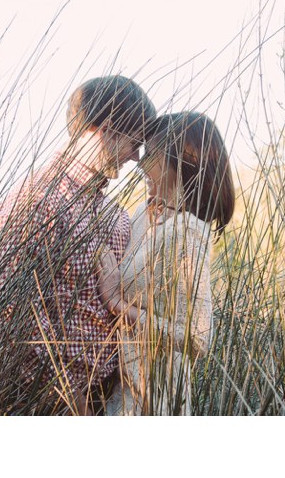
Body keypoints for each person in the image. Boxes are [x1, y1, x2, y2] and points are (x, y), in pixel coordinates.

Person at [0, 75, 155, 415]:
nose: (137, 157)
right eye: (134, 142)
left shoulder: (118, 217)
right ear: (107, 129)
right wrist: (72, 401)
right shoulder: (35, 200)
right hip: (47, 404)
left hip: (109, 400)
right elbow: (17, 317)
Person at [96, 111, 235, 415]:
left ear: (181, 162)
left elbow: (197, 338)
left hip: (151, 402)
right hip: (112, 390)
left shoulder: (190, 232)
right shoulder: (142, 216)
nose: (142, 165)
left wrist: (118, 304)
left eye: (152, 155)